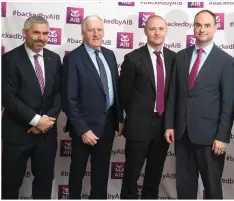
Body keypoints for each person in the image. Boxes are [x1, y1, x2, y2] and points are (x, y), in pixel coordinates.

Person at [164, 10, 234, 199]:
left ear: (215, 27)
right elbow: (173, 93)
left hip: (211, 137)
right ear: (193, 27)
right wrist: (170, 125)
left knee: (212, 188)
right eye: (198, 25)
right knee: (185, 187)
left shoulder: (226, 61)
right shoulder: (181, 56)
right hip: (182, 133)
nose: (202, 29)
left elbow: (228, 103)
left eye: (206, 25)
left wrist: (223, 136)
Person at [62, 15, 123, 199]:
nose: (96, 33)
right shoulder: (73, 59)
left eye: (99, 29)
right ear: (82, 33)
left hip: (107, 125)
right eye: (91, 30)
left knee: (101, 174)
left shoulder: (110, 55)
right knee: (77, 173)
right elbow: (69, 100)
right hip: (84, 129)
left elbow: (115, 90)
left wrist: (119, 119)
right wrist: (83, 130)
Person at [2, 16, 61, 199]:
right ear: (25, 33)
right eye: (36, 32)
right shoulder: (10, 59)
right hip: (17, 133)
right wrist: (36, 120)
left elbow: (59, 95)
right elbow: (8, 98)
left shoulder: (54, 58)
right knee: (11, 184)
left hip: (46, 136)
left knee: (44, 184)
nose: (41, 38)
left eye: (45, 33)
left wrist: (46, 122)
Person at [119, 15, 176, 199]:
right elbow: (124, 95)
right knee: (131, 177)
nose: (157, 32)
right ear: (145, 31)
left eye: (161, 28)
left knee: (154, 176)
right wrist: (136, 115)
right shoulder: (133, 58)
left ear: (166, 30)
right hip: (138, 127)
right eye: (152, 29)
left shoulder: (174, 58)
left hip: (163, 128)